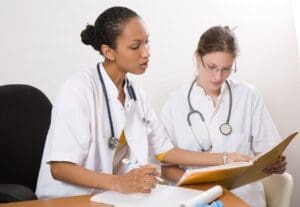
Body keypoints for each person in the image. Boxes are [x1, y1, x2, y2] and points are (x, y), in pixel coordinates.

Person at [35, 7, 251, 199]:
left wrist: (225, 158)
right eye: (135, 46)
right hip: (68, 199)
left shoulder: (136, 94)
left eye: (147, 42)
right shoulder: (79, 89)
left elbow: (165, 152)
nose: (146, 53)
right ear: (108, 52)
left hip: (111, 197)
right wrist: (120, 183)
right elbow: (60, 168)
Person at [160, 26, 287, 207]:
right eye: (211, 67)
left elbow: (266, 151)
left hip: (243, 197)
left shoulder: (248, 95)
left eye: (226, 69)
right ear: (197, 57)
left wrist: (275, 163)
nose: (218, 77)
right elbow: (166, 167)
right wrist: (205, 190)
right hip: (194, 196)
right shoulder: (174, 103)